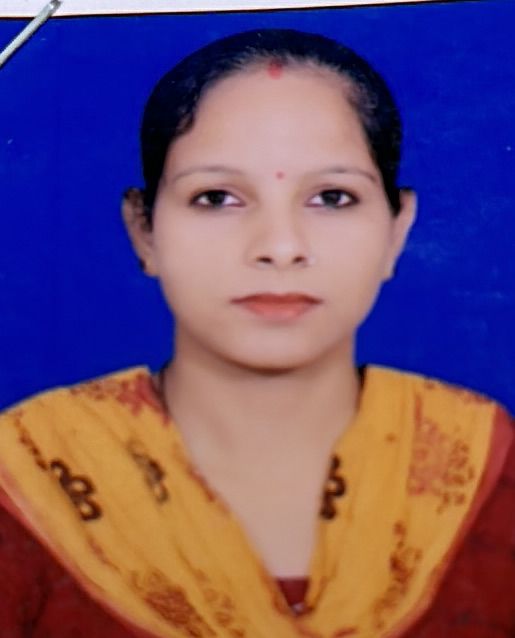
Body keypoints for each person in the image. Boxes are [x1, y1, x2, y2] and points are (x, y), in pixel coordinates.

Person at [0, 28, 514, 638]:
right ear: (144, 230)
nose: (280, 246)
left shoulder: (489, 473)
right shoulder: (28, 480)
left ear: (397, 231)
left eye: (332, 197)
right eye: (217, 198)